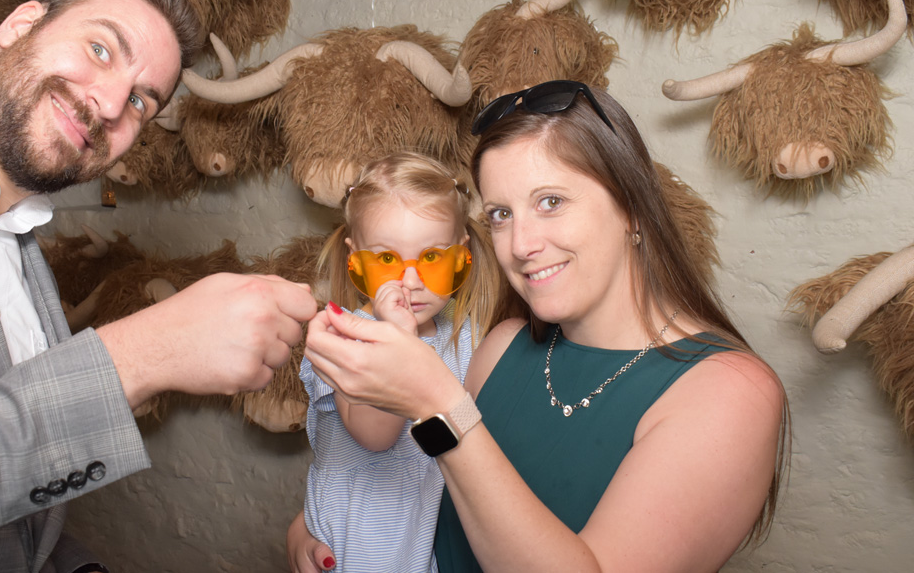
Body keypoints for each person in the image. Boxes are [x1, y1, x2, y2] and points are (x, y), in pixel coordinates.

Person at [0, 0, 317, 572]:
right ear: (19, 24)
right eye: (99, 48)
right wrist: (139, 355)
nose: (106, 104)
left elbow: (6, 517)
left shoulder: (22, 245)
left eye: (139, 101)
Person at [293, 80, 789, 572]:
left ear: (632, 208)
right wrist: (316, 526)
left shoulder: (731, 392)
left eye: (551, 201)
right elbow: (410, 494)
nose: (520, 244)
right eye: (502, 214)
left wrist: (436, 406)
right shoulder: (501, 345)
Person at [298, 152, 502, 572]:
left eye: (432, 258)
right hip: (351, 548)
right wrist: (398, 338)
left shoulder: (469, 339)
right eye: (387, 260)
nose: (410, 283)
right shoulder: (341, 335)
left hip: (419, 553)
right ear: (356, 260)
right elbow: (374, 435)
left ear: (462, 255)